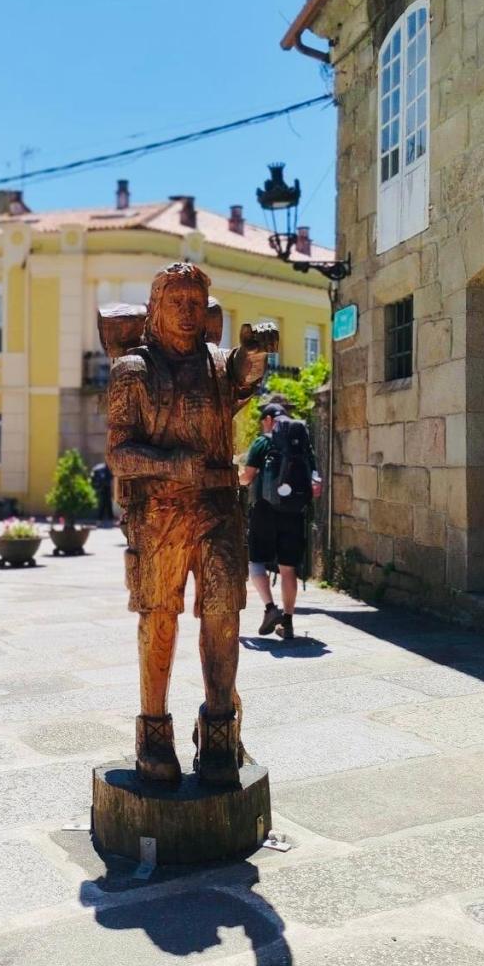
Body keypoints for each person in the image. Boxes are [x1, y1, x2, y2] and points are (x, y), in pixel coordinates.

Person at [105, 260, 278, 787]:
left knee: (224, 615)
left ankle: (220, 731)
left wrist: (254, 351)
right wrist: (170, 464)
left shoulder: (218, 365)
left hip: (220, 510)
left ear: (206, 313)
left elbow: (244, 376)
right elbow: (119, 454)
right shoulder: (133, 372)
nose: (186, 312)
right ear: (155, 309)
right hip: (158, 517)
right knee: (159, 618)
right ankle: (154, 734)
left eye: (195, 304)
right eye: (175, 302)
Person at [240, 403, 321, 641]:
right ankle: (287, 622)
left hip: (264, 511)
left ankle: (270, 608)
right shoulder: (303, 445)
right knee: (288, 568)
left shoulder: (262, 442)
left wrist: (238, 478)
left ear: (267, 419)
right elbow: (314, 478)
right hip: (295, 512)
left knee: (255, 562)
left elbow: (247, 477)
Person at [90, 460, 114, 525]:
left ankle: (106, 519)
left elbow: (111, 477)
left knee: (106, 504)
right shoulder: (103, 469)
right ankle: (101, 519)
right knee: (103, 504)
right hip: (103, 488)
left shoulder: (105, 469)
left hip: (105, 488)